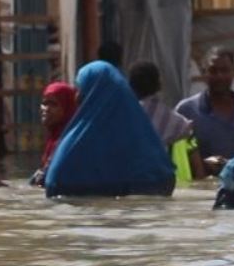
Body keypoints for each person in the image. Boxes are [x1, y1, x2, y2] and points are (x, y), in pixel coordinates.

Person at [44, 61, 176, 198]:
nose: (76, 95)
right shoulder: (149, 150)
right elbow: (166, 183)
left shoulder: (72, 148)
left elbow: (55, 186)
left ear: (91, 94)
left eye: (79, 88)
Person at [128, 61, 203, 184]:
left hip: (134, 181)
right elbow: (198, 167)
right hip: (166, 183)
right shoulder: (177, 123)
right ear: (159, 85)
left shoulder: (127, 116)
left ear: (131, 86)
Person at [176, 47, 234, 168]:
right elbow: (177, 156)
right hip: (205, 186)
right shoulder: (186, 110)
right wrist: (202, 165)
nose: (219, 76)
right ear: (203, 72)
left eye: (225, 70)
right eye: (213, 70)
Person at [31, 81, 77, 187]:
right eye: (44, 103)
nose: (46, 109)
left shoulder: (68, 142)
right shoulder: (53, 140)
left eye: (53, 104)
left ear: (67, 108)